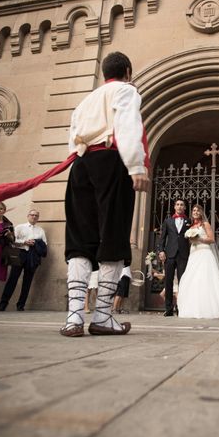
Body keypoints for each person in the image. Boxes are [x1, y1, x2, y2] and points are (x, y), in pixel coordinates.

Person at [61, 51, 150, 337]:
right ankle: (102, 316)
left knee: (79, 239)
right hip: (112, 162)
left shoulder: (85, 100)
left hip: (81, 165)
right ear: (127, 70)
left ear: (103, 73)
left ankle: (74, 317)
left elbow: (72, 138)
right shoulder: (126, 90)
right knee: (113, 236)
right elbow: (128, 124)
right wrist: (136, 165)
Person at [177, 204, 219, 319]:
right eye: (194, 210)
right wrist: (191, 239)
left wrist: (199, 239)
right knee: (193, 279)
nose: (195, 212)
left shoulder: (205, 224)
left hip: (204, 253)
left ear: (201, 212)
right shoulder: (191, 226)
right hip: (194, 255)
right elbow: (191, 242)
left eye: (198, 210)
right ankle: (194, 308)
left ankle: (210, 308)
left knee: (205, 279)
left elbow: (211, 239)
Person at [0, 209, 47, 311]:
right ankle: (3, 303)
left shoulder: (40, 230)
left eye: (36, 216)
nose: (34, 217)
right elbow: (13, 240)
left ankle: (21, 305)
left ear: (38, 218)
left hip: (33, 257)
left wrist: (35, 243)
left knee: (27, 281)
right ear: (28, 216)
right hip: (20, 254)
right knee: (13, 279)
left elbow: (44, 244)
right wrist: (25, 242)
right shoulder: (20, 227)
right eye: (32, 215)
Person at [157, 199, 191, 316]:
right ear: (174, 207)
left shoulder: (189, 221)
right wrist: (161, 251)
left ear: (185, 207)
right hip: (169, 254)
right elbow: (162, 238)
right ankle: (169, 308)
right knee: (168, 282)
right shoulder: (168, 221)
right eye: (177, 204)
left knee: (183, 282)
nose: (179, 206)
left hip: (183, 254)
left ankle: (181, 308)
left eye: (182, 204)